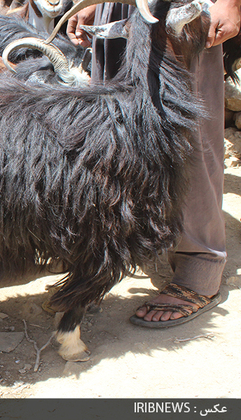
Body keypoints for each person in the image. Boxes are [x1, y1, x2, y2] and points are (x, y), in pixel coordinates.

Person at [67, 0, 241, 327]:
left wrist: (231, 3)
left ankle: (200, 264)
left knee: (188, 130)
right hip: (119, 8)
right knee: (114, 128)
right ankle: (118, 249)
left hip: (184, 8)